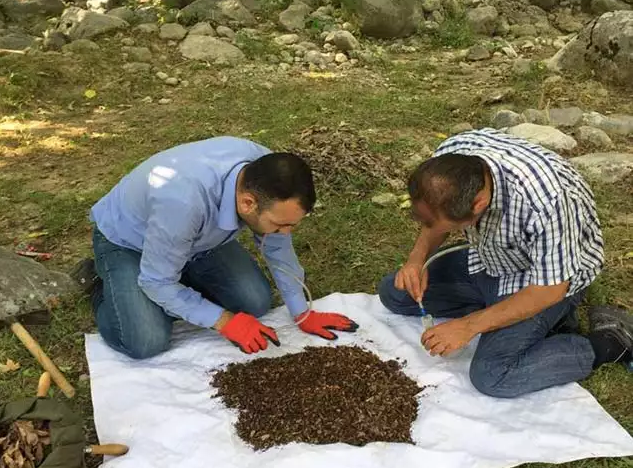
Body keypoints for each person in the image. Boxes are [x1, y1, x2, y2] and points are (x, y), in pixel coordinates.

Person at [378, 128, 632, 398]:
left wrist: (469, 326)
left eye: (449, 226)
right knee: (394, 294)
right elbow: (436, 221)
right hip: (489, 257)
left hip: (542, 280)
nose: (434, 230)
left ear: (478, 204)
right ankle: (525, 320)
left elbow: (550, 289)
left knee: (492, 375)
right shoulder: (448, 162)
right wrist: (416, 261)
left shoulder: (545, 202)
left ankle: (610, 342)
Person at [73, 136, 358, 359]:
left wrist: (301, 310)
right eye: (279, 225)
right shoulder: (182, 202)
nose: (285, 233)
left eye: (291, 225)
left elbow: (277, 247)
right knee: (145, 340)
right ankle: (103, 282)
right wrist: (223, 321)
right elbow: (156, 281)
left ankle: (176, 274)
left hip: (200, 241)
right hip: (129, 242)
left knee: (254, 303)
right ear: (248, 203)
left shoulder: (265, 172)